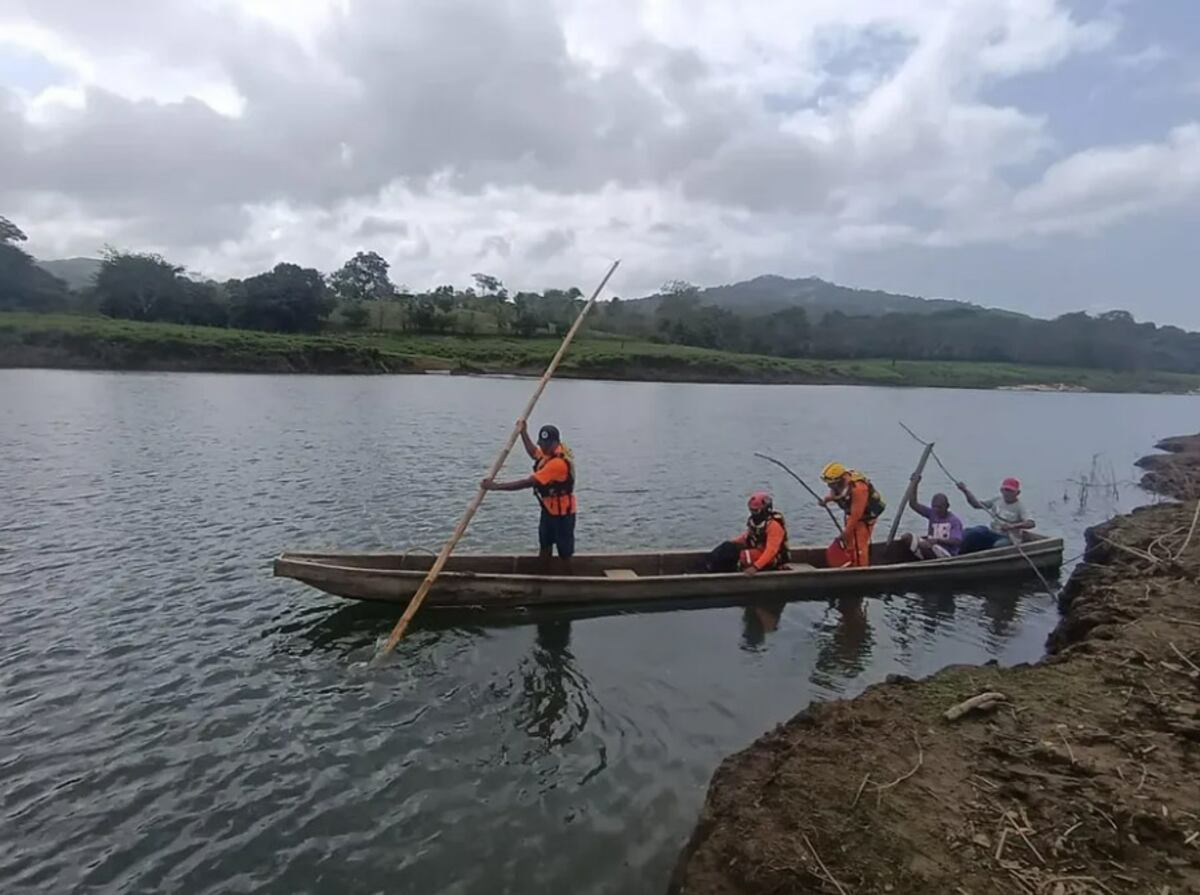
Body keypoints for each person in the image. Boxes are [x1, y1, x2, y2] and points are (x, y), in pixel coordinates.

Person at [481, 420, 576, 567]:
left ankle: (570, 583)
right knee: (544, 545)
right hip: (549, 511)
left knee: (564, 553)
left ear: (555, 443)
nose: (542, 447)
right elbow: (533, 453)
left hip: (563, 515)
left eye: (546, 444)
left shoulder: (557, 464)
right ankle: (542, 578)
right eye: (541, 444)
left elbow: (527, 483)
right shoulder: (547, 455)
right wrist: (523, 432)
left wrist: (495, 487)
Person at [705, 492, 790, 575]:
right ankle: (709, 564)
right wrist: (732, 543)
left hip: (772, 558)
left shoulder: (773, 526)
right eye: (751, 510)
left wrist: (756, 567)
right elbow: (748, 536)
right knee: (727, 546)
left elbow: (771, 551)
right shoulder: (755, 522)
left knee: (743, 556)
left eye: (756, 511)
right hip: (757, 551)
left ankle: (724, 570)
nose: (753, 513)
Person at [820, 462, 885, 567]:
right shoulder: (839, 485)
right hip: (853, 514)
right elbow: (836, 493)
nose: (830, 486)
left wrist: (844, 534)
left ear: (840, 479)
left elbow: (856, 516)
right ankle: (851, 563)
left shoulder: (859, 489)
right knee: (849, 543)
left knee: (859, 545)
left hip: (866, 516)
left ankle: (862, 569)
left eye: (832, 484)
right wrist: (826, 500)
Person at [956, 476, 1035, 554]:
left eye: (1010, 491)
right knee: (972, 533)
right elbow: (976, 505)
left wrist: (1012, 526)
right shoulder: (997, 500)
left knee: (999, 546)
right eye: (1005, 490)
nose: (1007, 493)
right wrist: (965, 491)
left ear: (1017, 493)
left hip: (1008, 537)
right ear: (1001, 490)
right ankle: (958, 553)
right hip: (993, 532)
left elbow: (1031, 523)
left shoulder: (1020, 507)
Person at [899, 474, 964, 559]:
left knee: (926, 546)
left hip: (947, 554)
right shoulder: (932, 513)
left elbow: (957, 541)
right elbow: (913, 504)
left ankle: (928, 560)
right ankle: (921, 558)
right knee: (907, 537)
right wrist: (915, 484)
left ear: (947, 506)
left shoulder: (954, 521)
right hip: (931, 547)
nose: (936, 510)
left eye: (939, 507)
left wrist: (937, 540)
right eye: (934, 506)